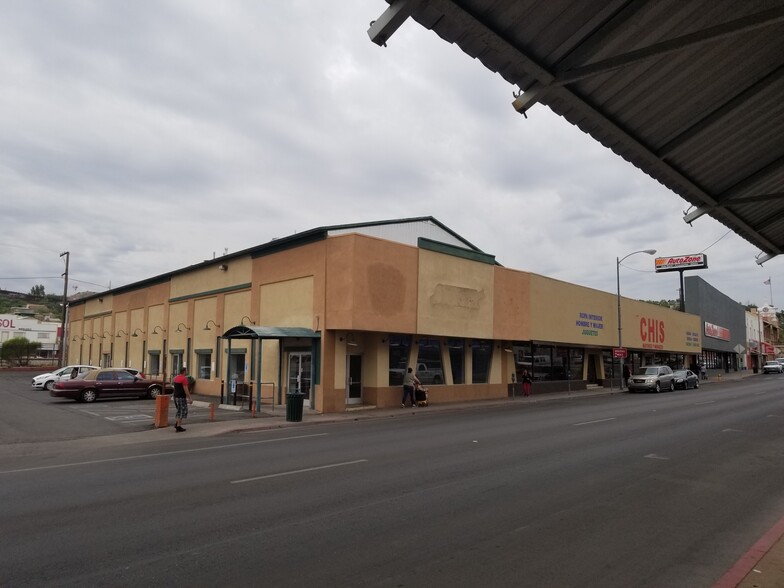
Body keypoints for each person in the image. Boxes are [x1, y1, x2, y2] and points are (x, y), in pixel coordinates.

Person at [172, 367, 193, 432]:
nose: (187, 372)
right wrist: (190, 398)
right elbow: (186, 389)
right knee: (182, 411)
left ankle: (177, 423)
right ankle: (178, 426)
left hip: (175, 397)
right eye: (186, 371)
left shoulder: (175, 378)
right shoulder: (184, 379)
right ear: (184, 371)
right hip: (181, 397)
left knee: (179, 410)